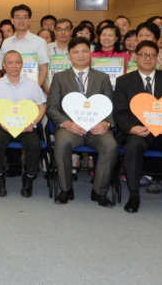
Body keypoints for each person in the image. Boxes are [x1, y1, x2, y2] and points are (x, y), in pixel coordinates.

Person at [115, 40, 162, 216]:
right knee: (133, 145)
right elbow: (120, 113)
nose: (147, 58)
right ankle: (134, 195)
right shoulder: (124, 81)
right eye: (143, 55)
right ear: (136, 57)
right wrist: (132, 128)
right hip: (138, 133)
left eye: (152, 55)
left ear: (157, 57)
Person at [48, 37, 118, 206]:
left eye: (84, 51)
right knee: (61, 143)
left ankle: (99, 192)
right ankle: (66, 190)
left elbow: (111, 106)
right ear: (69, 55)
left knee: (110, 145)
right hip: (70, 128)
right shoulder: (59, 77)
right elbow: (52, 107)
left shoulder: (102, 77)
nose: (80, 55)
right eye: (76, 52)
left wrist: (106, 123)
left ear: (90, 53)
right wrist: (67, 123)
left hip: (96, 128)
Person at [0, 51, 46, 198]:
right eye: (10, 62)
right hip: (3, 126)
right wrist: (1, 122)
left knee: (34, 144)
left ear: (22, 64)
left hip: (26, 126)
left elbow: (42, 107)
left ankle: (29, 178)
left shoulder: (32, 84)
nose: (14, 66)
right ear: (4, 65)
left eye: (17, 62)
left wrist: (33, 124)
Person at [1, 4, 51, 92]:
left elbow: (44, 69)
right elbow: (3, 67)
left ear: (29, 20)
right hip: (9, 90)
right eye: (17, 17)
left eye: (24, 17)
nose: (21, 20)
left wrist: (34, 89)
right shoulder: (6, 43)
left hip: (32, 91)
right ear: (12, 20)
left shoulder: (39, 42)